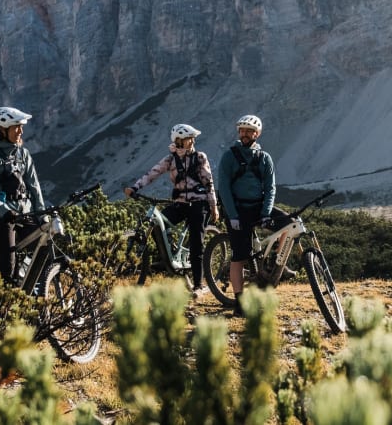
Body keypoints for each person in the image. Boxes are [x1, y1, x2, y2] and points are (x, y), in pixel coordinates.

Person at [124, 123, 219, 297]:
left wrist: (213, 206)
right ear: (179, 141)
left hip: (199, 204)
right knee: (157, 226)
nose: (192, 142)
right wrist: (135, 187)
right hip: (180, 204)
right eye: (188, 139)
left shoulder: (199, 157)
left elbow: (208, 182)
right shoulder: (170, 159)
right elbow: (152, 173)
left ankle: (198, 285)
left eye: (191, 139)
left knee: (197, 244)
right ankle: (169, 256)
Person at [217, 114, 291, 316]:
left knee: (290, 225)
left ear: (257, 134)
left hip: (258, 208)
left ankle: (275, 264)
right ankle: (240, 303)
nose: (245, 134)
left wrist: (266, 213)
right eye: (242, 130)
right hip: (238, 210)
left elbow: (270, 188)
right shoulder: (229, 156)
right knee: (239, 257)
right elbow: (223, 188)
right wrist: (232, 215)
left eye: (249, 131)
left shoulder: (264, 158)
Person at [0, 106, 48, 285]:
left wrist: (42, 214)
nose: (21, 131)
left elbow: (34, 187)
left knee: (42, 249)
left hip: (23, 213)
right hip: (0, 216)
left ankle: (34, 293)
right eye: (16, 127)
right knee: (8, 270)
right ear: (3, 129)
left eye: (21, 127)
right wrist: (4, 212)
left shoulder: (23, 153)